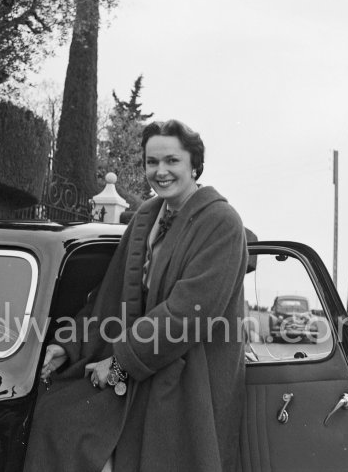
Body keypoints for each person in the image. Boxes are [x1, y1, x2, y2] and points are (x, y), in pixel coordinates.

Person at [24, 119, 248, 472]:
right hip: (138, 363)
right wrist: (68, 345)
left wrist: (118, 364)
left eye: (172, 161)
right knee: (58, 418)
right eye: (151, 162)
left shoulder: (222, 222)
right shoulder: (145, 216)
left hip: (189, 377)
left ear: (194, 164)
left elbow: (187, 315)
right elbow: (109, 297)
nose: (160, 171)